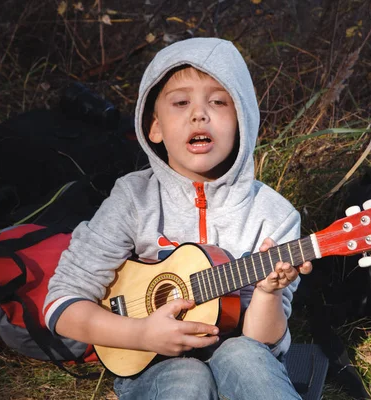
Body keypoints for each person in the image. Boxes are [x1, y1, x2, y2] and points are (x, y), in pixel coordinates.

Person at [44, 37, 313, 400]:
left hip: (242, 352)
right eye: (181, 102)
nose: (198, 114)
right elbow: (62, 304)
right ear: (154, 127)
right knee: (186, 380)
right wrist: (140, 335)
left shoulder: (274, 215)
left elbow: (265, 342)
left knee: (245, 357)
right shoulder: (134, 198)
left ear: (242, 122)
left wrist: (268, 292)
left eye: (218, 101)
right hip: (151, 361)